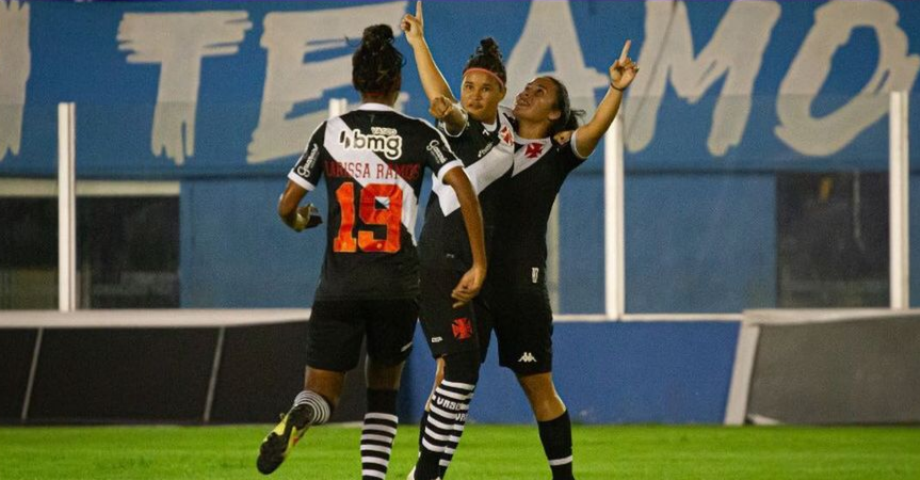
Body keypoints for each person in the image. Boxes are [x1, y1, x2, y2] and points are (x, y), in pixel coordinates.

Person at [256, 24, 487, 480]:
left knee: (321, 392)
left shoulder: (331, 131)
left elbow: (286, 205)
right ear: (397, 85)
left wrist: (300, 220)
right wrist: (479, 262)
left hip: (338, 286)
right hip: (396, 287)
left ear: (356, 81)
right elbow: (463, 186)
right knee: (383, 394)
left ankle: (302, 414)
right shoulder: (419, 133)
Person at [485, 41, 640, 480]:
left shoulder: (556, 152)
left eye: (539, 92)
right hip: (473, 282)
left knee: (539, 389)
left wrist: (616, 90)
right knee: (450, 382)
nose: (526, 93)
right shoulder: (490, 138)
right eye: (526, 86)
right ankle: (427, 471)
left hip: (521, 288)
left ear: (555, 114)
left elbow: (592, 131)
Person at [401, 3, 514, 479]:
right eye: (470, 86)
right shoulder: (461, 131)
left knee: (459, 376)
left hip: (466, 265)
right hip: (443, 263)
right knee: (462, 368)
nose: (475, 94)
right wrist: (419, 44)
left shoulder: (504, 130)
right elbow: (446, 105)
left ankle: (426, 473)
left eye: (485, 87)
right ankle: (424, 474)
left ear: (501, 92)